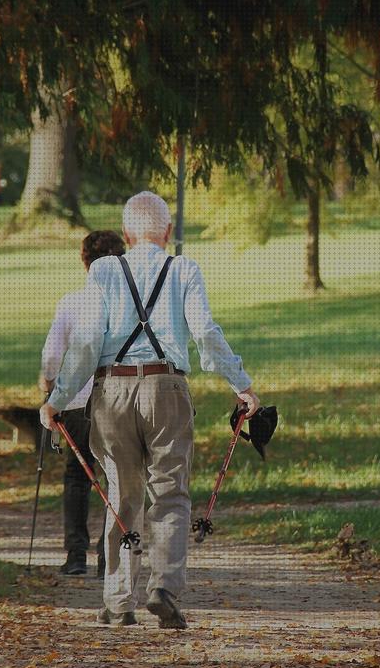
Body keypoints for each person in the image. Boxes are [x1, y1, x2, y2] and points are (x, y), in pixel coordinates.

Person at [40, 191, 259, 629]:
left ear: (126, 234)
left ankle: (119, 601)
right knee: (171, 492)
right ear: (168, 233)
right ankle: (164, 589)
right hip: (167, 388)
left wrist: (57, 399)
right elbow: (205, 334)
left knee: (121, 493)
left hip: (113, 391)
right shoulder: (184, 269)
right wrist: (242, 385)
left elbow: (84, 346)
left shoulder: (103, 271)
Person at [40, 230, 126, 577]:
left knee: (77, 475)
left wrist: (48, 386)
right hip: (116, 398)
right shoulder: (128, 305)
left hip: (75, 400)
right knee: (115, 476)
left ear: (83, 261)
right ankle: (109, 557)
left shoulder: (72, 302)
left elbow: (51, 354)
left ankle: (75, 554)